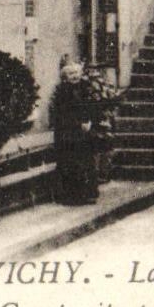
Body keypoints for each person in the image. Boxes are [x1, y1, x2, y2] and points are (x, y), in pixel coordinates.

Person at [50, 56, 100, 205]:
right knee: (71, 164)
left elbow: (92, 106)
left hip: (84, 132)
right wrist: (78, 124)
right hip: (67, 133)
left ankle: (88, 195)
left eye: (77, 73)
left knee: (86, 162)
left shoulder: (85, 87)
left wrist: (90, 121)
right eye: (71, 74)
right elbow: (62, 113)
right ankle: (72, 197)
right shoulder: (62, 92)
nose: (75, 76)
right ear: (65, 77)